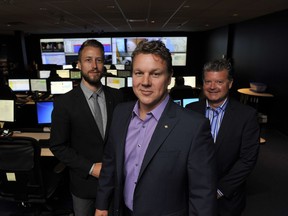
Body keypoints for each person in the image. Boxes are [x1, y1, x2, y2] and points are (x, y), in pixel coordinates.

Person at [95, 40, 217, 216]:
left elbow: (203, 196)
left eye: (155, 74)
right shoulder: (120, 113)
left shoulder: (193, 127)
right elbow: (110, 164)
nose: (145, 82)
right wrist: (101, 205)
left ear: (169, 77)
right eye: (139, 73)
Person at [49, 39, 123, 216]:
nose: (94, 65)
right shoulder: (64, 103)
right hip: (84, 184)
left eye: (99, 60)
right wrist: (90, 167)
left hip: (115, 182)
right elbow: (57, 145)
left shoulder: (118, 97)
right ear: (79, 64)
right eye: (88, 60)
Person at [185, 59, 260, 216]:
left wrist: (219, 190)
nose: (212, 87)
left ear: (230, 83)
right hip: (191, 195)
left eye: (219, 81)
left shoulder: (247, 116)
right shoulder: (190, 110)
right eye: (208, 81)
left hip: (227, 199)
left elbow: (247, 160)